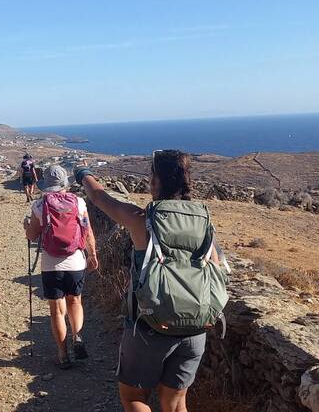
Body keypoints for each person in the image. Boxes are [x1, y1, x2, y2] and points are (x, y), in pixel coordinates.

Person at [74, 151, 221, 412]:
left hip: (149, 326)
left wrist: (83, 174)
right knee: (176, 404)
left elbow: (99, 197)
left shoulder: (142, 219)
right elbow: (215, 269)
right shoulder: (204, 222)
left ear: (156, 182)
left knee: (134, 398)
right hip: (195, 328)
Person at [24, 165, 99, 369]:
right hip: (75, 260)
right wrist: (92, 254)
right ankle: (77, 336)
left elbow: (32, 236)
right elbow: (88, 231)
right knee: (75, 301)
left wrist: (26, 226)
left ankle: (62, 355)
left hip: (51, 263)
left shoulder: (39, 206)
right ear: (65, 183)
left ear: (46, 184)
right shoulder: (80, 203)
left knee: (57, 310)